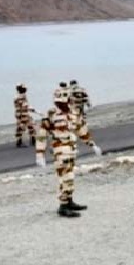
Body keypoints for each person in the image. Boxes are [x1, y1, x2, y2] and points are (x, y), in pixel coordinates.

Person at [35, 87, 103, 217]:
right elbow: (42, 135)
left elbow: (82, 130)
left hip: (71, 150)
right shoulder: (51, 114)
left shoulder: (73, 113)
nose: (62, 103)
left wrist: (92, 144)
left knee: (70, 177)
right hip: (60, 151)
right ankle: (63, 205)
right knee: (65, 178)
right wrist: (39, 153)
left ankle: (69, 200)